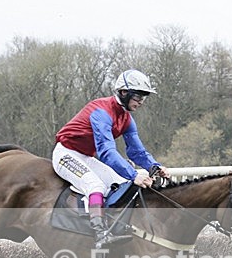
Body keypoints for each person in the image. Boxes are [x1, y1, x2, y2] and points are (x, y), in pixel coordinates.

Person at [52, 69, 170, 247]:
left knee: (122, 183)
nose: (141, 102)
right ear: (124, 93)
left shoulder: (127, 119)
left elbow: (136, 152)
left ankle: (114, 225)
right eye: (138, 97)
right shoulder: (101, 112)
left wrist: (155, 166)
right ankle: (99, 234)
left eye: (144, 98)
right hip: (66, 153)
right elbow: (106, 152)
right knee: (96, 185)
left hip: (85, 156)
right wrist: (134, 174)